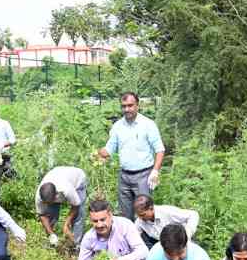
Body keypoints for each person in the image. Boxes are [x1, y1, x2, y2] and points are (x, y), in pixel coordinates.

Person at [96, 92, 164, 220]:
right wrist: (99, 153)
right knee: (125, 214)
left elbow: (160, 150)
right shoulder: (117, 126)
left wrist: (155, 171)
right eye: (124, 106)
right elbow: (109, 149)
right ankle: (129, 238)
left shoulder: (148, 125)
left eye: (130, 105)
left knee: (144, 212)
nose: (127, 109)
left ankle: (146, 239)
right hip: (124, 177)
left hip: (143, 176)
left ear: (137, 105)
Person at [36, 166, 89, 248]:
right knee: (50, 214)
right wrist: (51, 234)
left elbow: (76, 206)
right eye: (46, 203)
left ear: (56, 196)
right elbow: (42, 215)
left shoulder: (66, 189)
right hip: (58, 174)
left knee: (78, 216)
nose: (48, 204)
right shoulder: (39, 196)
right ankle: (53, 241)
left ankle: (75, 245)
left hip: (78, 180)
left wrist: (66, 223)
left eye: (50, 202)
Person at [133, 194, 199, 249]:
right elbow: (134, 237)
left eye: (143, 215)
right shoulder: (139, 221)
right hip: (162, 244)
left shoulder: (167, 211)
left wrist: (187, 234)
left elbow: (193, 214)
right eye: (138, 215)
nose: (140, 218)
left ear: (151, 208)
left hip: (181, 239)